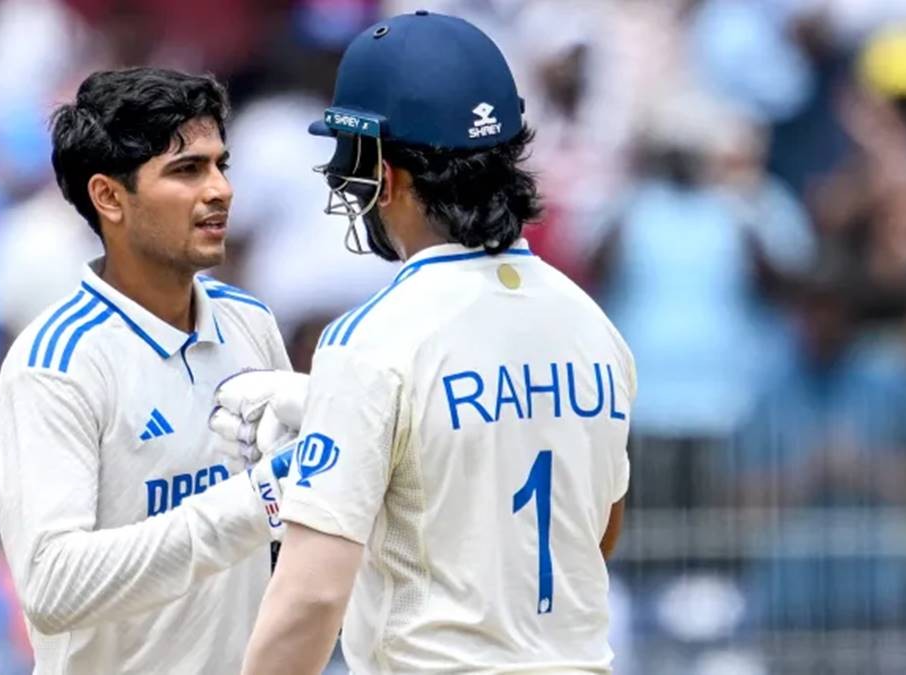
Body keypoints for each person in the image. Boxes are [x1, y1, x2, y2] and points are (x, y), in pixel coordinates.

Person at [225, 12, 636, 674]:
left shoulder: (372, 339)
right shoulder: (593, 325)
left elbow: (313, 595)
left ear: (387, 176)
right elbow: (595, 531)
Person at [0, 67, 293, 675]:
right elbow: (52, 586)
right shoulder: (55, 365)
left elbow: (294, 527)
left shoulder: (251, 322)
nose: (221, 190)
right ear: (108, 197)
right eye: (187, 170)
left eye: (221, 165)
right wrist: (250, 503)